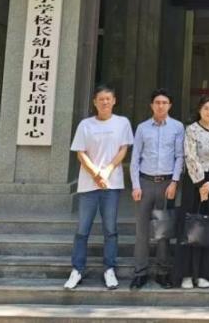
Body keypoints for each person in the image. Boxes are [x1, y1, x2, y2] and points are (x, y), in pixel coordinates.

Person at [64, 86, 134, 291]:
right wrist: (96, 173)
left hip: (112, 184)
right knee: (82, 229)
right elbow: (80, 153)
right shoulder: (85, 125)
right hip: (88, 185)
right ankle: (77, 269)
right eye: (101, 99)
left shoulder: (122, 123)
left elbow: (123, 150)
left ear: (114, 101)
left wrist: (108, 170)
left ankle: (109, 268)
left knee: (110, 229)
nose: (105, 102)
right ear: (94, 102)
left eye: (108, 99)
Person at [129, 88, 185, 291]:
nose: (161, 106)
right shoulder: (142, 128)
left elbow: (180, 157)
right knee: (142, 231)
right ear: (151, 105)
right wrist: (135, 185)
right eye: (157, 102)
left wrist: (175, 182)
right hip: (145, 183)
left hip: (166, 184)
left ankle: (163, 273)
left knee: (163, 230)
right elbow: (135, 158)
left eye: (164, 102)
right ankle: (140, 273)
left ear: (170, 105)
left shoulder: (177, 127)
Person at [178, 95, 209, 289]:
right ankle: (187, 273)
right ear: (199, 110)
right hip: (194, 183)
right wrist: (200, 184)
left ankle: (206, 273)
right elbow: (189, 156)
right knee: (191, 225)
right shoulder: (191, 130)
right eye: (206, 108)